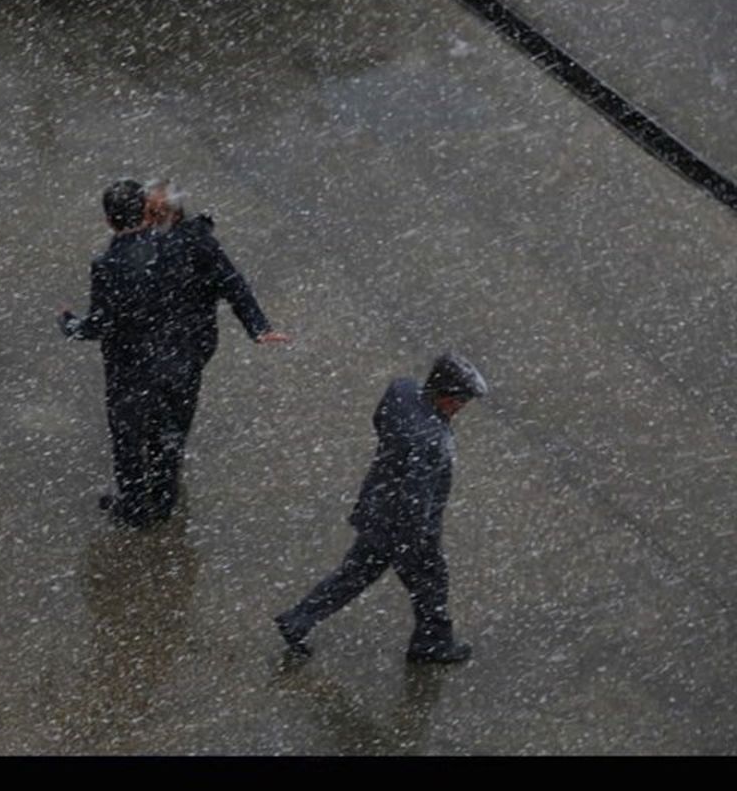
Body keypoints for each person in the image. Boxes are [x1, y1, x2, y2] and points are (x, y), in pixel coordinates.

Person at [60, 178, 287, 527]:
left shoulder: (108, 264)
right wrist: (257, 327)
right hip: (182, 359)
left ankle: (135, 507)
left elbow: (102, 323)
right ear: (147, 213)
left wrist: (71, 326)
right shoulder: (182, 244)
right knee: (169, 433)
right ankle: (164, 501)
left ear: (108, 220)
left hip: (132, 369)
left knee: (128, 440)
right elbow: (229, 281)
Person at [274, 352, 488, 663]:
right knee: (431, 583)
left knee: (355, 574)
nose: (459, 409)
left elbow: (380, 421)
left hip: (377, 508)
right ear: (447, 395)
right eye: (459, 401)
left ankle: (299, 620)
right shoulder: (431, 440)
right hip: (403, 528)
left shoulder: (402, 391)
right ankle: (432, 643)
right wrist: (418, 543)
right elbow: (417, 500)